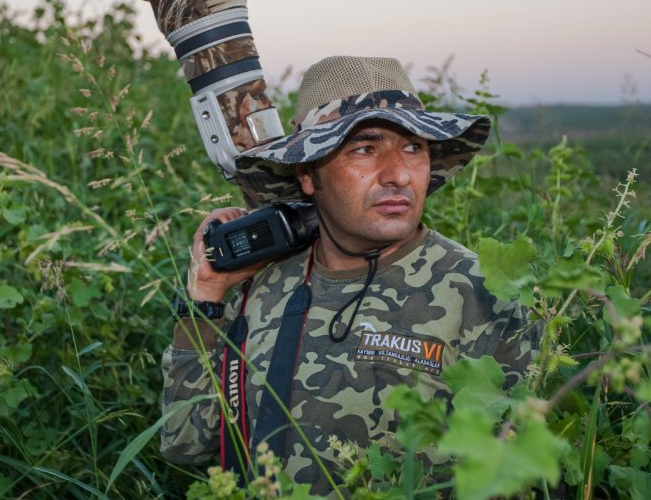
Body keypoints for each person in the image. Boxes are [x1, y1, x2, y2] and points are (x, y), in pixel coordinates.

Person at [160, 56, 538, 493]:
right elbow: (184, 445)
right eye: (364, 148)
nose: (398, 174)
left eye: (413, 148)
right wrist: (205, 297)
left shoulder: (482, 292)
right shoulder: (264, 287)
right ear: (307, 173)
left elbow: (526, 474)